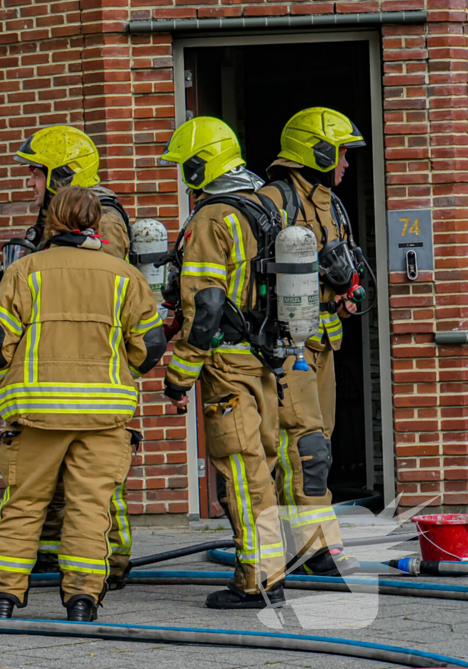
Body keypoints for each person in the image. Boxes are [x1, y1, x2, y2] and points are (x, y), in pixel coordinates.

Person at [0, 186, 166, 621]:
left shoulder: (25, 271)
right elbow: (151, 345)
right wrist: (123, 374)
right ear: (96, 223)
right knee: (89, 511)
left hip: (37, 416)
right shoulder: (124, 275)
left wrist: (10, 376)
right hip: (104, 418)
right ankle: (82, 601)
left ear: (52, 221)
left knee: (24, 506)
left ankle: (2, 599)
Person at [160, 117, 288, 609]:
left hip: (226, 365)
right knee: (264, 466)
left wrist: (179, 374)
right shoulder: (264, 206)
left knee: (240, 471)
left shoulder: (212, 218)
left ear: (199, 164)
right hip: (264, 360)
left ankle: (256, 581)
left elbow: (207, 305)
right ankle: (272, 569)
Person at [11, 125, 137, 585]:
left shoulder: (104, 220)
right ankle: (52, 552)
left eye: (36, 173)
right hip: (55, 363)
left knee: (96, 472)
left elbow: (108, 292)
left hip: (95, 366)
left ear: (63, 174)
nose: (30, 182)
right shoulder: (55, 219)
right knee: (54, 465)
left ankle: (111, 559)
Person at [259, 107, 366, 577]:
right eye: (342, 153)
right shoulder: (272, 201)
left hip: (324, 342)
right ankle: (317, 547)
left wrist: (349, 293)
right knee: (305, 447)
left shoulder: (333, 203)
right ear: (318, 152)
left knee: (313, 443)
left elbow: (349, 263)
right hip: (287, 346)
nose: (346, 164)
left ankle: (294, 543)